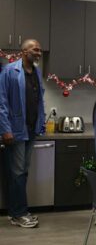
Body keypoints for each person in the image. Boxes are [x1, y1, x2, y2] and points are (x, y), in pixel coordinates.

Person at [0, 39, 45, 228]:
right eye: (35, 49)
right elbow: (1, 102)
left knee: (22, 172)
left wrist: (41, 124)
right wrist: (5, 129)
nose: (38, 52)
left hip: (31, 130)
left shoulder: (37, 72)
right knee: (18, 172)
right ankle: (19, 213)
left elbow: (39, 100)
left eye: (40, 50)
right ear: (24, 51)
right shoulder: (10, 71)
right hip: (16, 130)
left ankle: (16, 211)